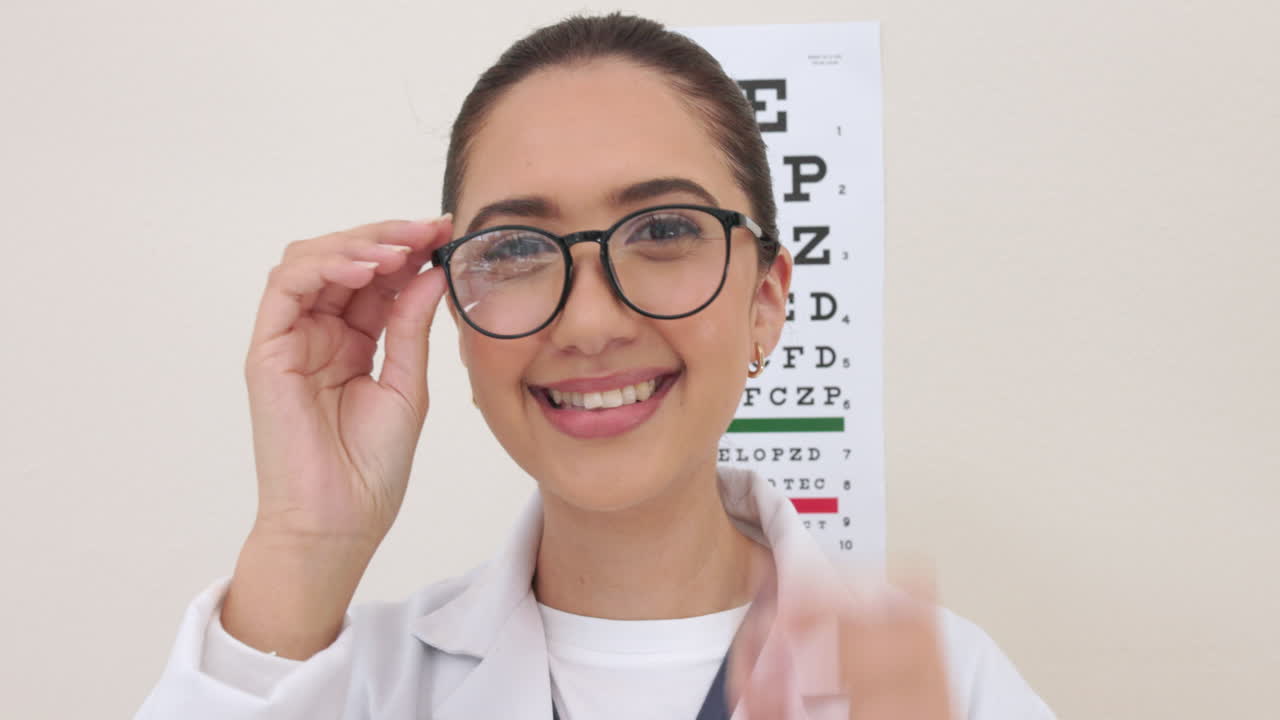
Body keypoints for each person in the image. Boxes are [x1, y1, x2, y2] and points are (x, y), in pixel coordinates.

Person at [136, 12, 1055, 720]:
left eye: (664, 231)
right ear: (452, 303)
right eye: (516, 250)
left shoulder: (947, 684)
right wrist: (305, 542)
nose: (590, 320)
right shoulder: (345, 679)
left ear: (766, 301)